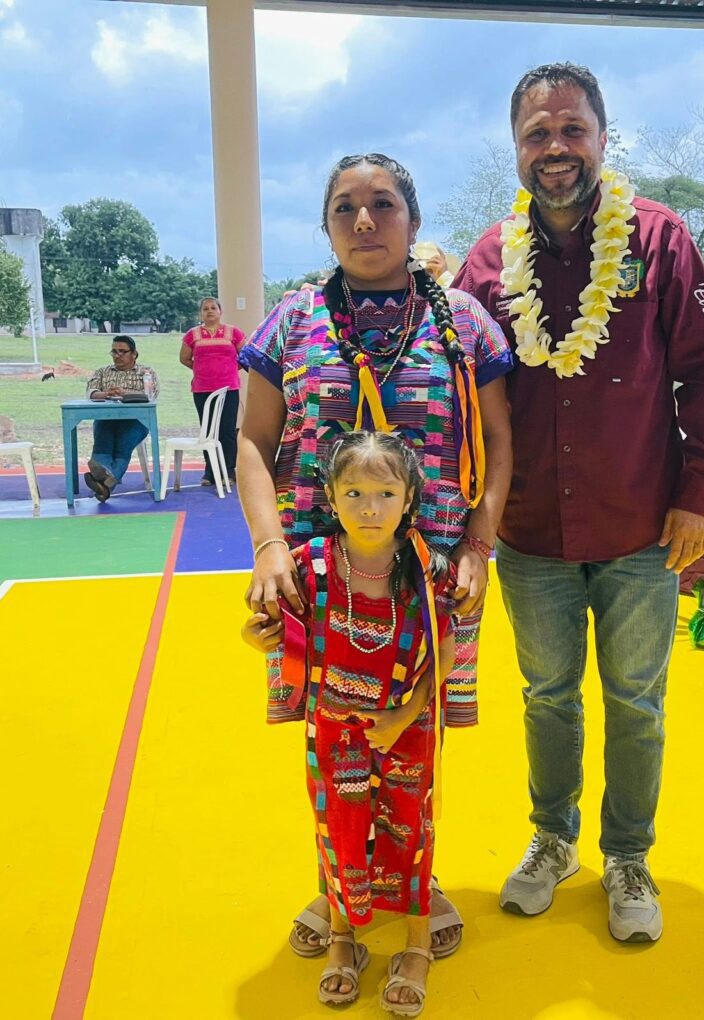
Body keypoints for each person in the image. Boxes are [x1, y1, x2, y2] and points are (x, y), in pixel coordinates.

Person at [453, 63, 704, 943]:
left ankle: (628, 856)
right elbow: (459, 391)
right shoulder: (490, 259)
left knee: (637, 702)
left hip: (641, 527)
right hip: (530, 530)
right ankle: (552, 840)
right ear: (516, 148)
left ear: (603, 139)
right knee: (547, 696)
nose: (556, 148)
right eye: (537, 134)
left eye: (572, 129)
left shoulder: (660, 239)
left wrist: (698, 496)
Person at [237, 153, 513, 962]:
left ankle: (412, 881)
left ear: (413, 221)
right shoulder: (292, 322)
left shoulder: (465, 322)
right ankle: (340, 884)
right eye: (345, 208)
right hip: (322, 581)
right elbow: (252, 441)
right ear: (326, 226)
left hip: (433, 577)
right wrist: (268, 546)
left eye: (384, 204)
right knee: (334, 739)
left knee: (414, 736)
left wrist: (479, 544)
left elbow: (500, 444)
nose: (364, 221)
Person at [243, 432, 455, 1013]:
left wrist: (403, 715)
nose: (369, 508)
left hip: (408, 731)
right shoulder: (308, 566)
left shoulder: (426, 568)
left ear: (409, 499)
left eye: (385, 494)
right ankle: (343, 937)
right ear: (331, 497)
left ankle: (417, 944)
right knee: (337, 831)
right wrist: (256, 637)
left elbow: (446, 647)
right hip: (331, 735)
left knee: (410, 832)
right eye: (354, 492)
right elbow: (274, 630)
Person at [83, 335, 160, 502]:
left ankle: (102, 481)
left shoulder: (146, 372)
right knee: (102, 439)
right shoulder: (102, 372)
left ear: (134, 354)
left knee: (122, 445)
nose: (117, 355)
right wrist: (106, 394)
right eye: (114, 352)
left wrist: (126, 394)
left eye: (122, 352)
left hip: (136, 421)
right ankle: (105, 482)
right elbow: (91, 392)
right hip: (106, 418)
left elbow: (151, 395)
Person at [179, 297, 246, 486]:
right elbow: (184, 358)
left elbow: (245, 356)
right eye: (205, 308)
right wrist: (201, 370)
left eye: (213, 308)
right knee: (208, 431)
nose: (209, 311)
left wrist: (229, 370)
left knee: (227, 431)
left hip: (228, 389)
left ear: (220, 311)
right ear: (200, 313)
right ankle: (210, 472)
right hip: (202, 389)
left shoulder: (233, 332)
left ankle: (229, 472)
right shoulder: (192, 334)